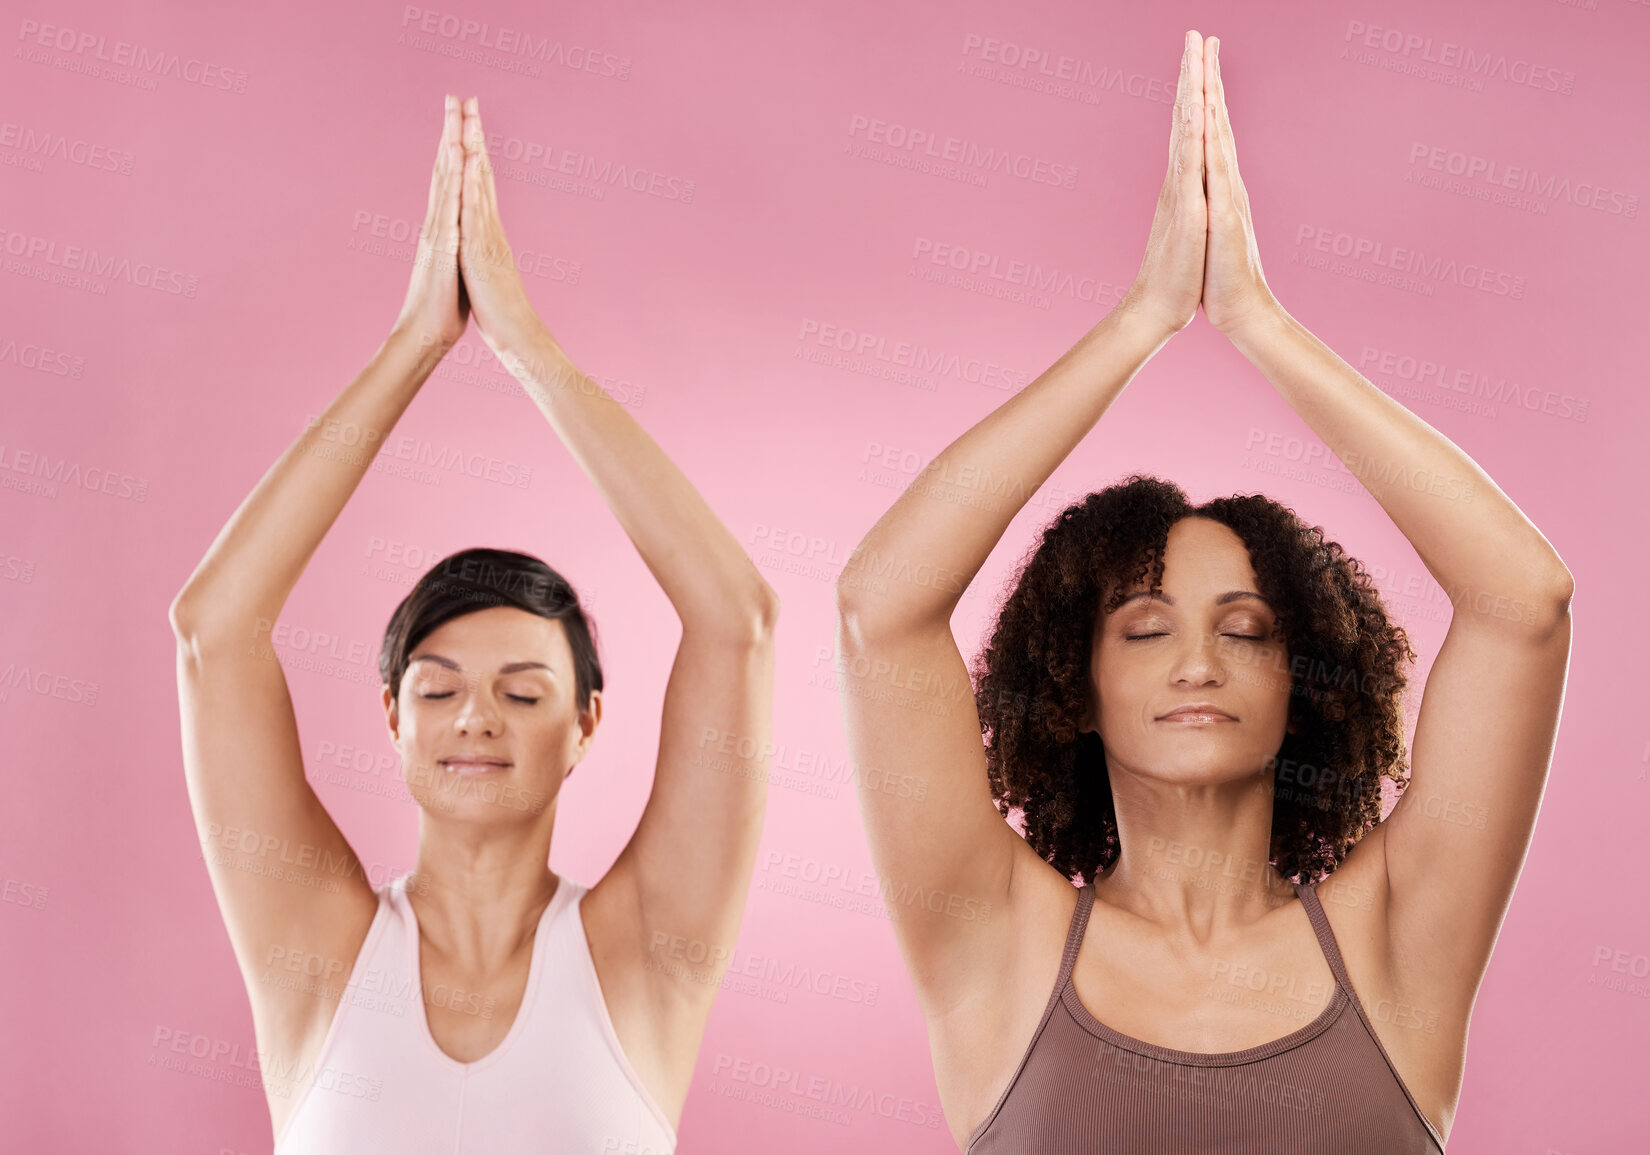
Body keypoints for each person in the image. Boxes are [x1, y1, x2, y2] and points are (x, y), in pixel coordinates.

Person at [834, 30, 1571, 1153]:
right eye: (1143, 628)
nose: (1198, 662)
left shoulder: (1397, 938)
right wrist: (1142, 319)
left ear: (1303, 685)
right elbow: (879, 606)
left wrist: (1256, 324)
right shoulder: (999, 939)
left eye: (1248, 630)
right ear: (1076, 688)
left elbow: (1526, 600)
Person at [169, 95, 778, 1152]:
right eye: (439, 688)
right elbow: (212, 630)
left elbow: (738, 621)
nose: (475, 719)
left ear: (588, 722)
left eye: (524, 692)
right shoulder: (316, 952)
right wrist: (415, 342)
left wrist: (526, 346)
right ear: (393, 721)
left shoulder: (644, 952)